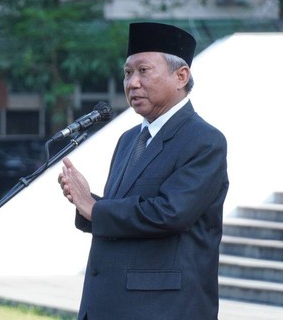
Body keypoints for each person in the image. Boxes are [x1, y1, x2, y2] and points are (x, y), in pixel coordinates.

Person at [58, 22, 229, 320]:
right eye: (127, 72)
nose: (132, 83)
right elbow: (125, 212)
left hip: (162, 308)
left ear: (181, 76)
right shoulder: (129, 140)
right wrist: (85, 202)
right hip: (109, 304)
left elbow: (170, 213)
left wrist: (94, 208)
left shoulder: (204, 140)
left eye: (143, 71)